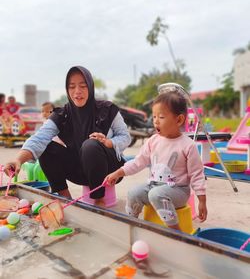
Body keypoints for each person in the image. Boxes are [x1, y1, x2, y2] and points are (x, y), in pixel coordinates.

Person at [5, 66, 131, 205]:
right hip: (80, 170)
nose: (77, 91)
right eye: (72, 87)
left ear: (90, 86)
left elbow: (125, 137)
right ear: (67, 89)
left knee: (91, 145)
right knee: (46, 147)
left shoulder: (107, 110)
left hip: (109, 170)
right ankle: (65, 198)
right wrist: (18, 160)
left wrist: (108, 142)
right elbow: (39, 138)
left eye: (83, 86)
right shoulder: (63, 114)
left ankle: (99, 201)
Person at [105, 90, 207, 230]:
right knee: (134, 192)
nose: (156, 121)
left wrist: (202, 201)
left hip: (178, 191)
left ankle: (175, 231)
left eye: (161, 117)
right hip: (154, 187)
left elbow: (197, 174)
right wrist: (118, 173)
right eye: (154, 117)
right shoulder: (153, 141)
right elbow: (138, 162)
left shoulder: (187, 145)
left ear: (179, 120)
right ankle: (131, 224)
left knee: (156, 194)